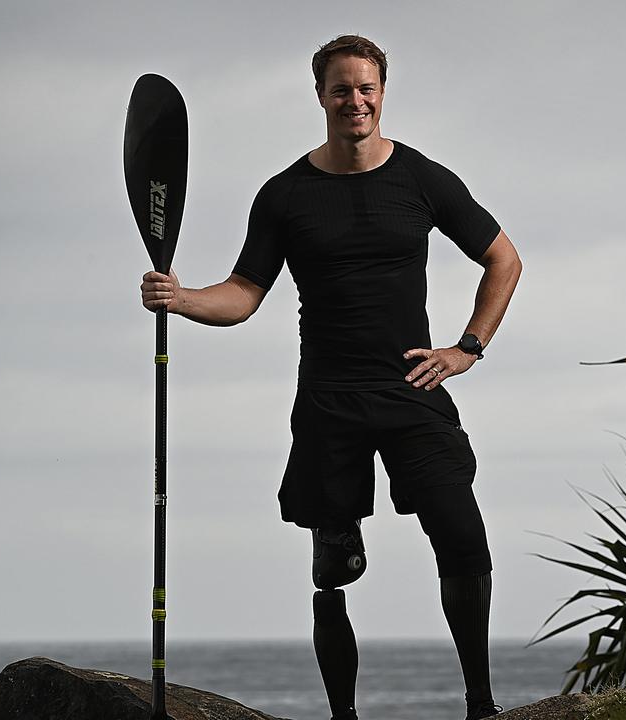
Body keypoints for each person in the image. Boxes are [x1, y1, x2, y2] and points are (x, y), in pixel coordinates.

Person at [140, 34, 521, 720]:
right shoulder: (286, 195)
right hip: (328, 401)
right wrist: (183, 298)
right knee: (332, 573)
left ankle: (482, 706)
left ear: (383, 93)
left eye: (367, 88)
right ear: (320, 95)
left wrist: (467, 348)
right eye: (342, 89)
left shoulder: (423, 179)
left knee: (462, 534)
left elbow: (504, 260)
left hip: (412, 389)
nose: (356, 101)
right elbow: (245, 292)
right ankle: (343, 715)